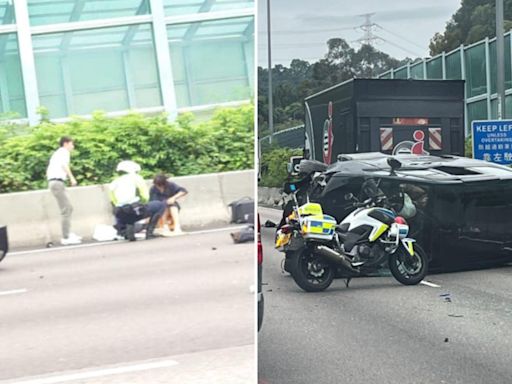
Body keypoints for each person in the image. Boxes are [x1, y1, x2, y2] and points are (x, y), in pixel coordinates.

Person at [109, 161, 166, 241]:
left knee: (125, 212)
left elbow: (113, 200)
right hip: (135, 209)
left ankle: (126, 232)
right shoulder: (136, 178)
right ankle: (149, 233)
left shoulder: (114, 182)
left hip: (120, 212)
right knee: (160, 205)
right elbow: (145, 196)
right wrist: (142, 203)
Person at [46, 136, 82, 245]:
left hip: (57, 182)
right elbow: (64, 165)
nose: (73, 146)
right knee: (66, 209)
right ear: (66, 144)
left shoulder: (58, 153)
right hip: (57, 182)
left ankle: (68, 233)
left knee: (68, 208)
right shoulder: (63, 152)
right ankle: (66, 237)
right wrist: (72, 177)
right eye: (72, 144)